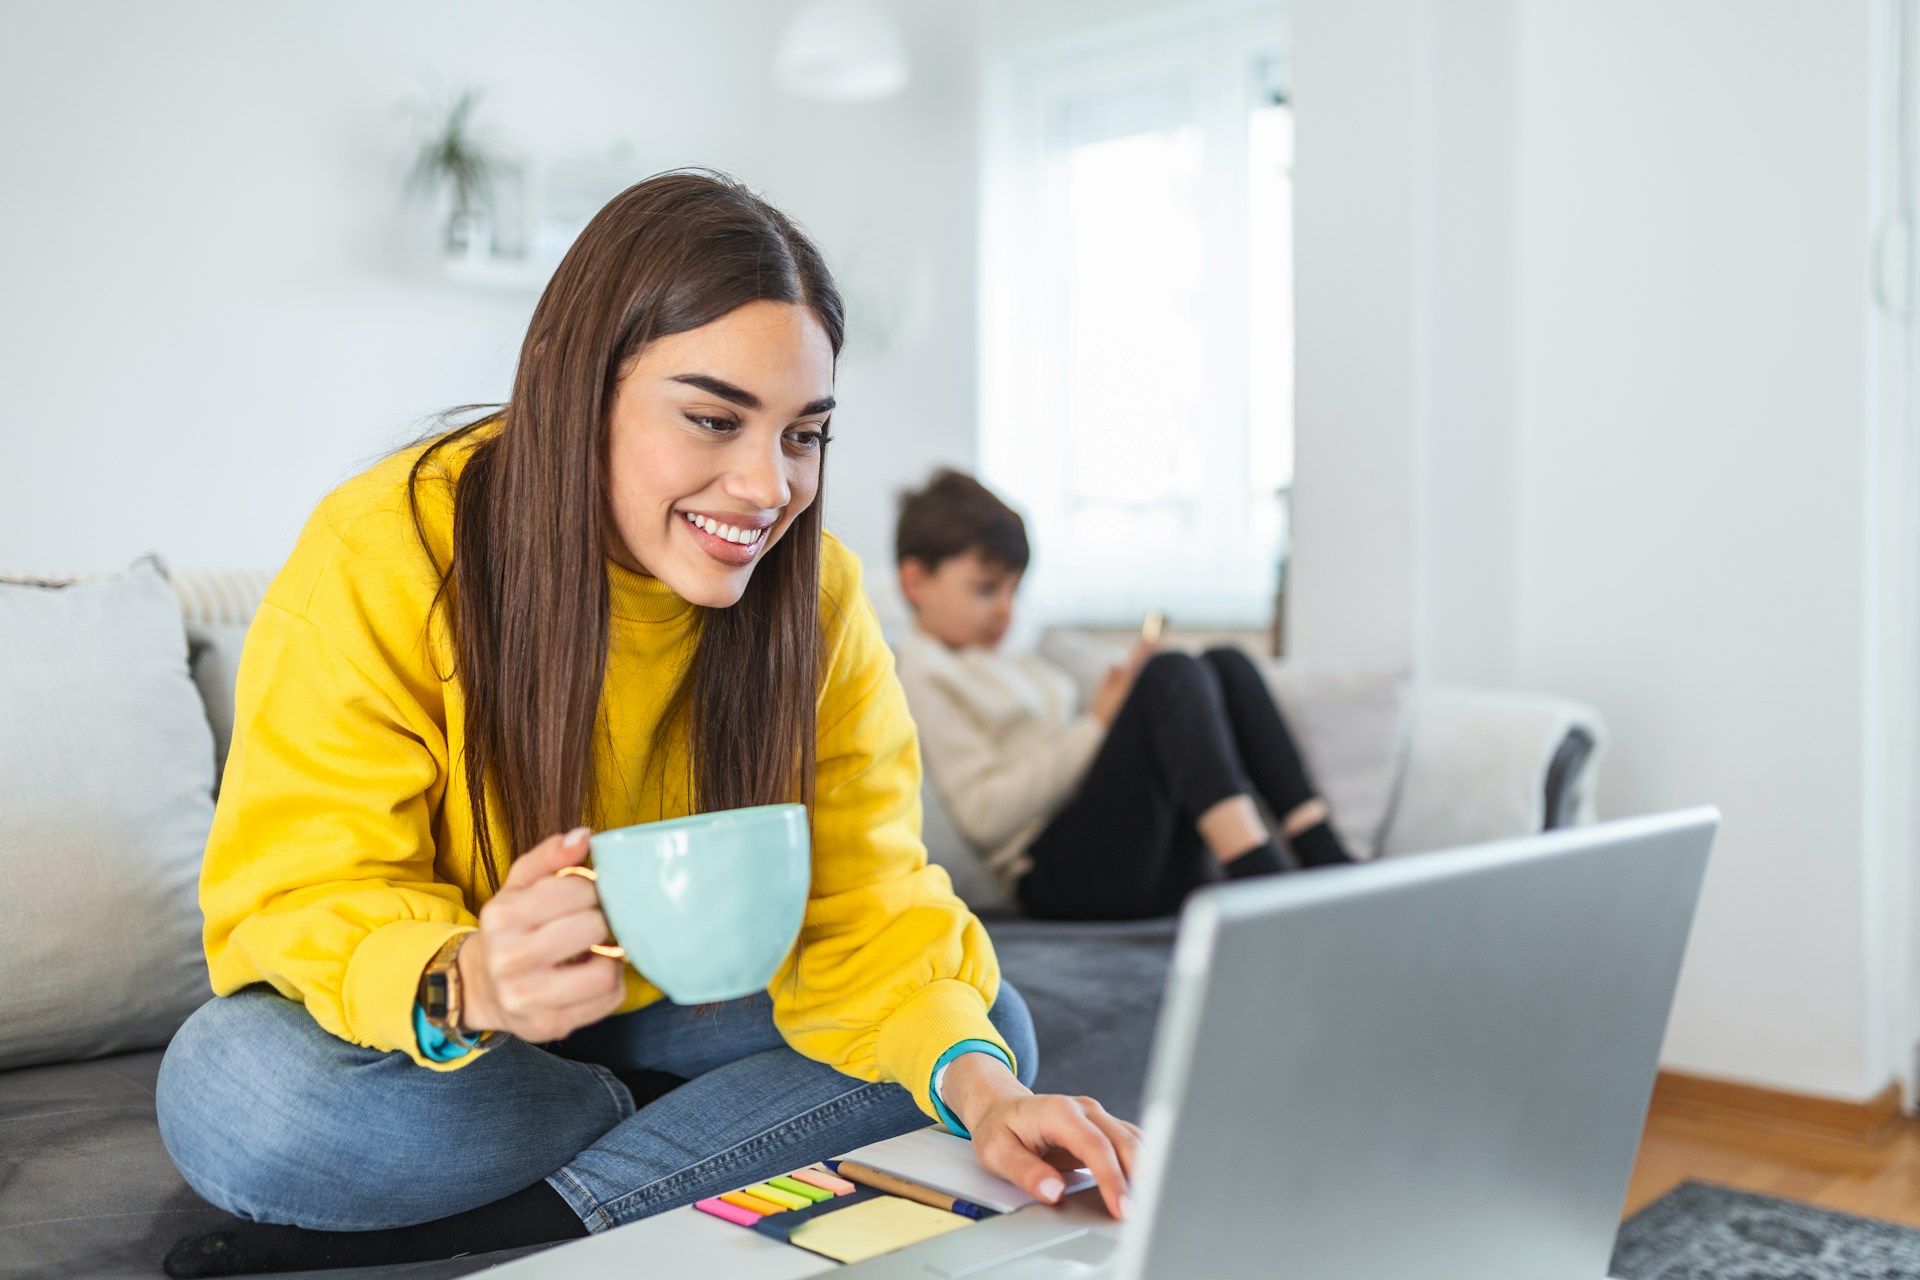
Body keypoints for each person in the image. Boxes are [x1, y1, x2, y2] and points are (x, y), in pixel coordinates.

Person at [154, 172, 1139, 1279]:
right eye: (714, 418)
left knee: (985, 1026)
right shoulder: (382, 551)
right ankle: (694, 1133)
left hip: (687, 1007)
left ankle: (533, 1213)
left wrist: (986, 1088)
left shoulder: (816, 598)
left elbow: (871, 905)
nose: (768, 487)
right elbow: (299, 886)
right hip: (465, 1040)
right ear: (582, 391)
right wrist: (471, 977)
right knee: (233, 1085)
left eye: (803, 434)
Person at [894, 470, 1356, 922]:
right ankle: (1262, 880)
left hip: (1125, 857)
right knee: (1168, 675)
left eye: (1013, 590)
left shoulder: (1008, 656)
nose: (1005, 609)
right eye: (986, 588)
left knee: (1225, 663)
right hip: (1056, 876)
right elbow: (984, 815)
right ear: (917, 581)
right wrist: (1097, 724)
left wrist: (1114, 711)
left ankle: (1329, 862)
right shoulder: (924, 671)